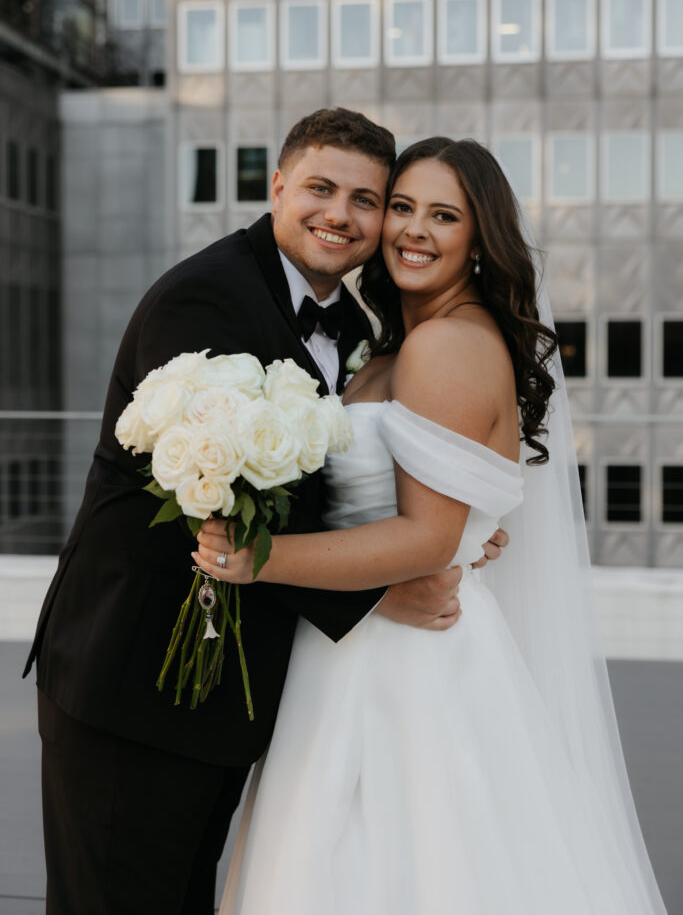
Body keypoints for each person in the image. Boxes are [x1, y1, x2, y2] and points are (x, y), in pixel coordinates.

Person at [23, 109, 507, 914]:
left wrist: (465, 519)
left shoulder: (357, 327)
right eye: (320, 188)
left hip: (235, 697)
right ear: (277, 185)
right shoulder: (206, 297)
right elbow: (199, 511)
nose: (341, 215)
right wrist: (382, 587)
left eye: (365, 199)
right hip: (132, 680)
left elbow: (341, 481)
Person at [196, 138, 669, 915]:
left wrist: (259, 557)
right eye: (403, 208)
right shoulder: (398, 340)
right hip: (353, 645)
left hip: (405, 667)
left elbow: (423, 539)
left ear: (479, 239)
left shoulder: (447, 343)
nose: (413, 230)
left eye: (443, 215)